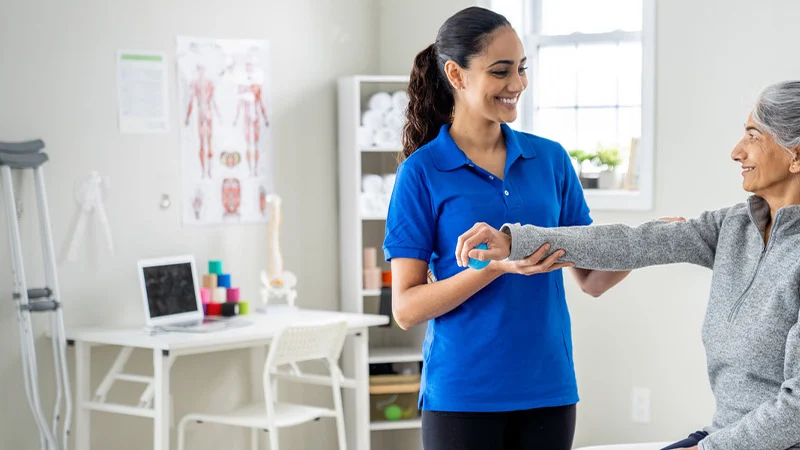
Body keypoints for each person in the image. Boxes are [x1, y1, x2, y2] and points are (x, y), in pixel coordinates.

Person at [455, 80, 800, 450]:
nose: (736, 151)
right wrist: (514, 241)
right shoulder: (733, 226)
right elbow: (631, 243)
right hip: (722, 434)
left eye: (753, 136)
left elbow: (796, 409)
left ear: (795, 156)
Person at [382, 6, 631, 450]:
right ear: (456, 75)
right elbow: (406, 309)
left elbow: (591, 280)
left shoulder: (550, 160)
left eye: (522, 68)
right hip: (463, 397)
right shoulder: (421, 172)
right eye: (500, 71)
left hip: (548, 390)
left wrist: (652, 242)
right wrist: (495, 267)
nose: (517, 84)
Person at [184, 64, 221, 178]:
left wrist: (219, 116)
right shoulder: (195, 84)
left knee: (209, 142)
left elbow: (213, 101)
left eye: (202, 69)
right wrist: (188, 116)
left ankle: (209, 171)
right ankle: (204, 171)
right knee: (202, 143)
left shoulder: (209, 83)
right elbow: (191, 101)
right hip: (201, 112)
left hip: (207, 112)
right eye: (199, 69)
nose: (201, 71)